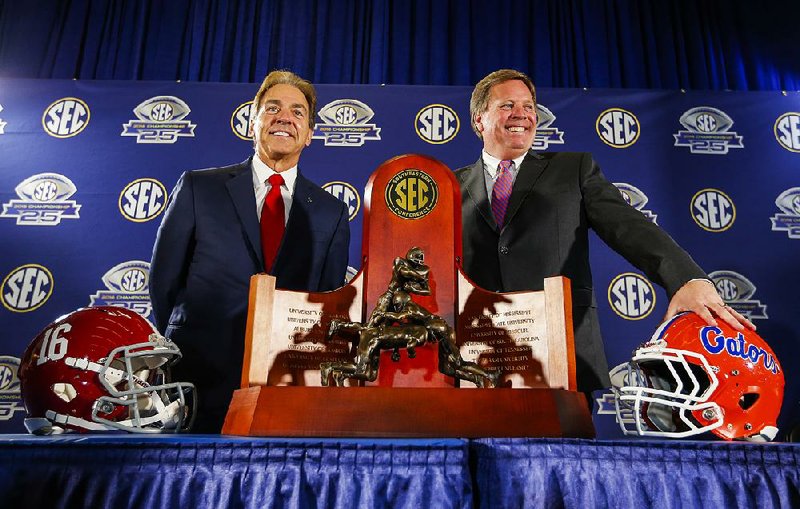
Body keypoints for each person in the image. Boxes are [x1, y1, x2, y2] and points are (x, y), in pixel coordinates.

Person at [456, 69, 753, 397]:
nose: (522, 115)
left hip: (560, 355)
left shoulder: (573, 170)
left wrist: (686, 279)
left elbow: (629, 227)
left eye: (529, 106)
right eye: (507, 105)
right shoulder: (448, 185)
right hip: (474, 359)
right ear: (478, 119)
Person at [149, 70, 350, 432]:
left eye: (298, 112)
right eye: (272, 108)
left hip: (283, 384)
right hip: (196, 377)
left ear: (310, 135)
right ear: (251, 123)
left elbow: (327, 301)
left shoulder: (330, 211)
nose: (285, 117)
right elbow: (164, 280)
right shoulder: (199, 188)